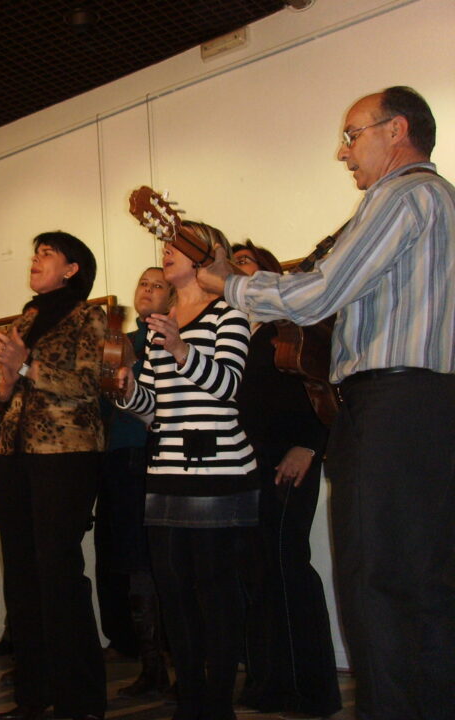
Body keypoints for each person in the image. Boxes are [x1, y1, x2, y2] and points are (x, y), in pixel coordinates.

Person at [198, 86, 455, 720]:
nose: (343, 152)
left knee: (377, 583)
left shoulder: (404, 195)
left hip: (394, 404)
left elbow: (320, 294)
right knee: (419, 584)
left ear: (396, 131)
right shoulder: (434, 200)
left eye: (352, 134)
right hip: (421, 405)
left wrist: (229, 283)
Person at [117, 224, 257, 720]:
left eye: (177, 246)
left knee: (215, 593)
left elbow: (227, 388)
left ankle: (217, 703)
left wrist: (180, 349)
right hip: (168, 469)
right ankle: (190, 700)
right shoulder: (163, 322)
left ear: (206, 257)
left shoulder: (230, 314)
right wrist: (126, 389)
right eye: (165, 245)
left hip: (219, 470)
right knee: (173, 593)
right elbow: (154, 411)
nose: (166, 251)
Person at [0, 231, 107, 720]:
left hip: (66, 452)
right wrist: (6, 377)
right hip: (15, 452)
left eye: (46, 254)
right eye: (34, 253)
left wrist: (27, 366)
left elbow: (87, 383)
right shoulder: (26, 317)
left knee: (58, 572)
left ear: (72, 268)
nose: (35, 261)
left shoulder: (89, 316)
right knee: (21, 577)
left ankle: (81, 701)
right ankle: (32, 695)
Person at [230, 242, 341, 716]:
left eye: (245, 265)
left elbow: (327, 385)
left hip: (290, 456)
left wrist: (311, 445)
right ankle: (267, 683)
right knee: (258, 570)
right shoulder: (236, 333)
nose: (234, 274)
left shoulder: (295, 324)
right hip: (246, 462)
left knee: (286, 563)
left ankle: (311, 689)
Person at [103, 268, 173, 699]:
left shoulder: (172, 338)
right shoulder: (121, 340)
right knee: (132, 563)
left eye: (157, 285)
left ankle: (181, 664)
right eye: (142, 284)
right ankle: (151, 666)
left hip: (155, 454)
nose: (146, 290)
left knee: (163, 561)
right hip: (118, 457)